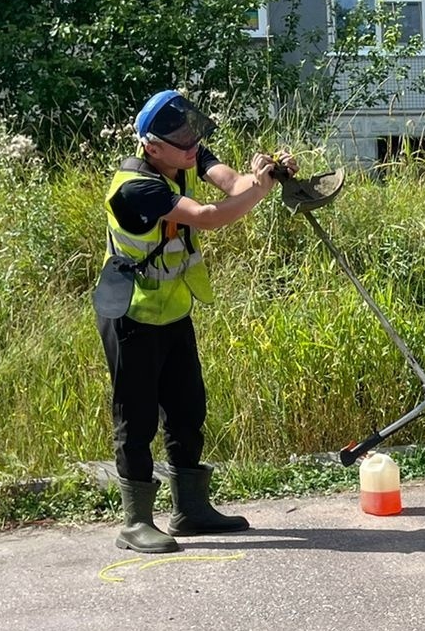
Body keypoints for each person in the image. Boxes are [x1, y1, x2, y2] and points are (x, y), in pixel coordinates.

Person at [91, 90, 295, 552]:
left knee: (187, 408)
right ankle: (135, 523)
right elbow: (206, 216)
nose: (191, 147)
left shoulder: (185, 154)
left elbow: (232, 186)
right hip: (131, 315)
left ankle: (190, 510)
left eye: (192, 137)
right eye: (180, 141)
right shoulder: (134, 187)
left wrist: (265, 173)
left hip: (173, 310)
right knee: (136, 416)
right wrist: (258, 191)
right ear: (151, 146)